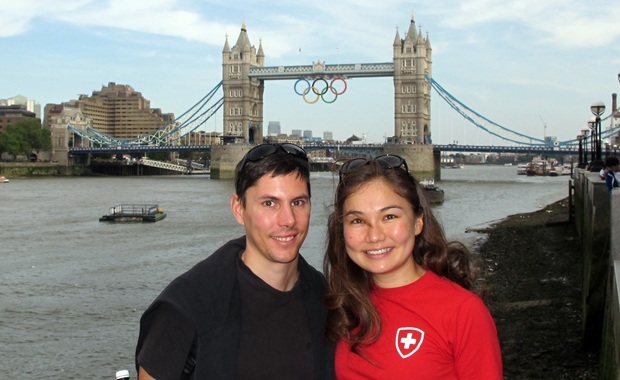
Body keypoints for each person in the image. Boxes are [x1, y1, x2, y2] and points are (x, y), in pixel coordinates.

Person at [136, 143, 334, 379]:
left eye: (298, 202)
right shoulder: (185, 306)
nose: (288, 220)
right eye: (269, 203)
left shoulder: (325, 297)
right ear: (239, 209)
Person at [323, 155, 503, 379]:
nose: (375, 235)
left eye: (389, 216)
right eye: (357, 220)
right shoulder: (343, 305)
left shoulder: (464, 312)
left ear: (418, 221)